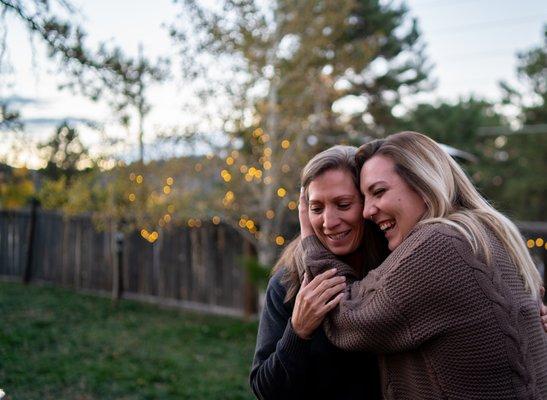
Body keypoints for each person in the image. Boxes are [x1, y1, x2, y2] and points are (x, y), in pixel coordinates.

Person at [299, 131, 547, 399]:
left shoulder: (440, 243)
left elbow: (349, 319)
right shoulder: (487, 231)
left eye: (379, 192)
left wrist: (310, 238)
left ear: (424, 185)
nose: (368, 211)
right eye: (364, 197)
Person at [249, 145, 389, 400]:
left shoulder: (393, 263)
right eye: (316, 208)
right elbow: (265, 390)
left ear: (367, 203)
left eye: (343, 204)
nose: (329, 221)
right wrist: (297, 331)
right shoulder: (288, 281)